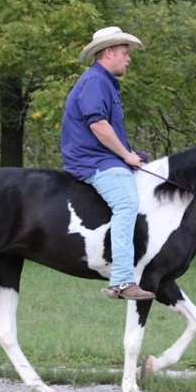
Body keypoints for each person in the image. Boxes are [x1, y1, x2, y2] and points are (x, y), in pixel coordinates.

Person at [61, 26, 155, 301]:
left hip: (102, 157)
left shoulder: (105, 83)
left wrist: (130, 152)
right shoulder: (96, 82)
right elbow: (98, 125)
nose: (129, 59)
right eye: (125, 53)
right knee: (126, 204)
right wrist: (126, 157)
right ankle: (122, 281)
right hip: (92, 161)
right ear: (109, 53)